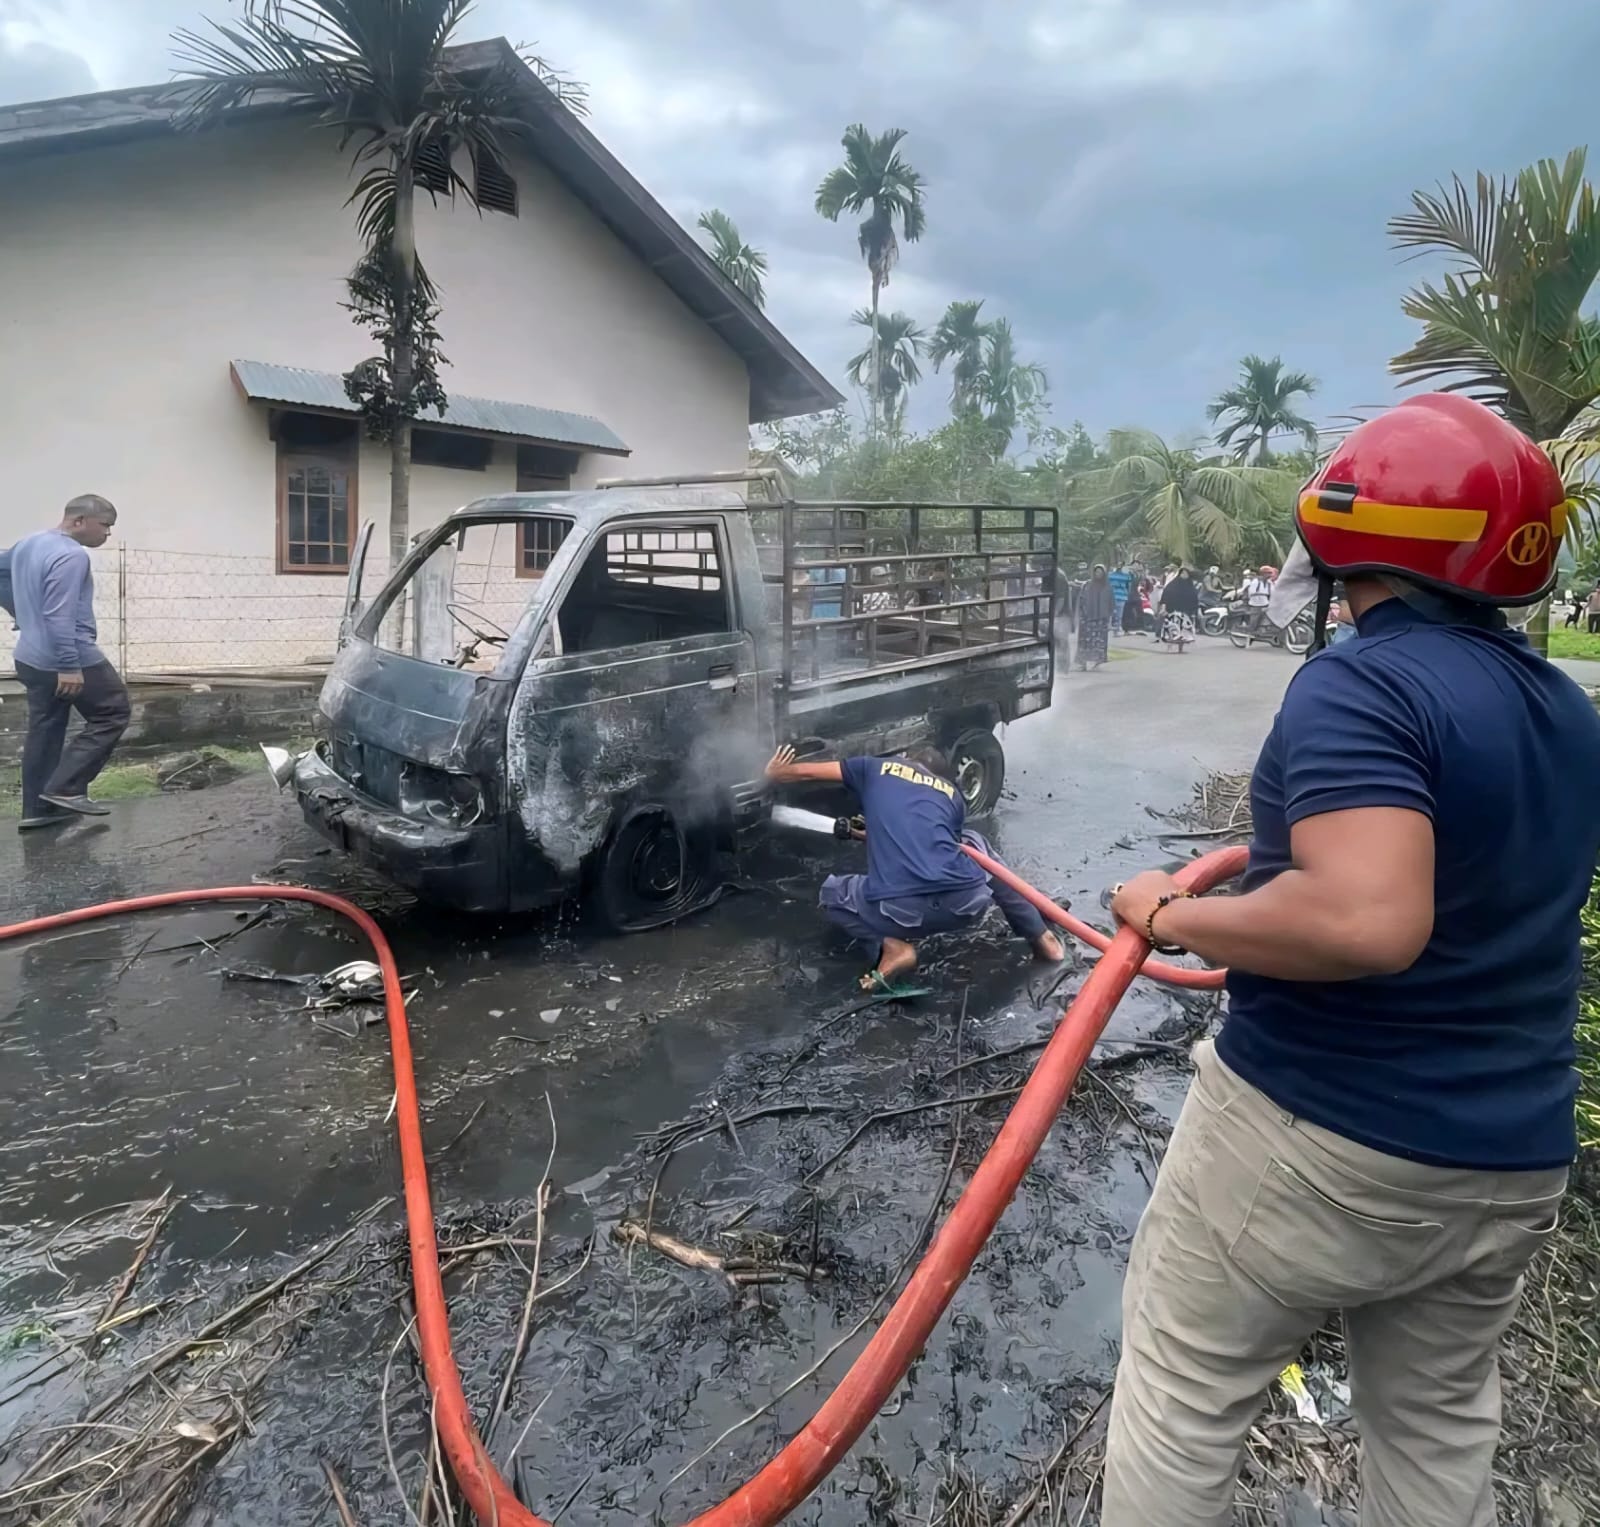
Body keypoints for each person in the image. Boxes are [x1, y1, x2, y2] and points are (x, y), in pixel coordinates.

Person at [1101, 393, 1600, 1527]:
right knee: (1434, 1429)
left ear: (1347, 540)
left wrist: (1169, 912)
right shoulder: (1562, 709)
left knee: (1182, 1390)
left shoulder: (1361, 683)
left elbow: (1365, 920)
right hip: (1510, 1159)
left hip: (1324, 1136)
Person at [764, 742, 1064, 992]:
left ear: (906, 760)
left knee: (832, 893)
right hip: (966, 906)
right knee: (974, 845)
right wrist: (864, 832)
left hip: (900, 912)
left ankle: (893, 947)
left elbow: (805, 772)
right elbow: (933, 846)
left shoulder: (874, 767)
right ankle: (1042, 937)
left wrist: (777, 771)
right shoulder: (952, 796)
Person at [8, 495, 130, 829]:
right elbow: (59, 616)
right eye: (104, 526)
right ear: (78, 521)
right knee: (113, 712)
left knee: (45, 731)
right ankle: (66, 788)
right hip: (67, 655)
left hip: (29, 657)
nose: (107, 534)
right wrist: (69, 665)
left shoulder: (28, 544)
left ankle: (37, 811)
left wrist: (21, 613)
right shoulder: (71, 555)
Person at [1076, 564, 1113, 670]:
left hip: (1101, 620)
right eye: (1096, 572)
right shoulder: (1087, 585)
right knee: (1085, 642)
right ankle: (1082, 663)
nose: (1098, 574)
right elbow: (1081, 600)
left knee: (1099, 642)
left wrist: (1109, 621)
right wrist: (1081, 615)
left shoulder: (1108, 587)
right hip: (1087, 618)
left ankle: (1098, 662)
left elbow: (1111, 604)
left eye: (1100, 572)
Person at [1157, 566, 1199, 650]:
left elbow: (1194, 598)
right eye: (1182, 573)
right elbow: (1165, 595)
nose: (1184, 575)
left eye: (1186, 573)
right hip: (1173, 612)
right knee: (1172, 630)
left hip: (1185, 614)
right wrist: (1163, 608)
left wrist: (1194, 611)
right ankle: (1169, 647)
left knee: (1183, 632)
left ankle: (1181, 648)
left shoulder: (1190, 586)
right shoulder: (1173, 584)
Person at [1240, 563, 1275, 641]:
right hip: (1256, 603)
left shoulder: (1269, 583)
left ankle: (1262, 631)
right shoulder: (1256, 581)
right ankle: (1249, 633)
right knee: (1254, 621)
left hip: (1265, 603)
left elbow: (1273, 592)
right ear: (1263, 573)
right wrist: (1262, 593)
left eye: (1270, 573)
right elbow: (1251, 592)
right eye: (1268, 573)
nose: (1270, 575)